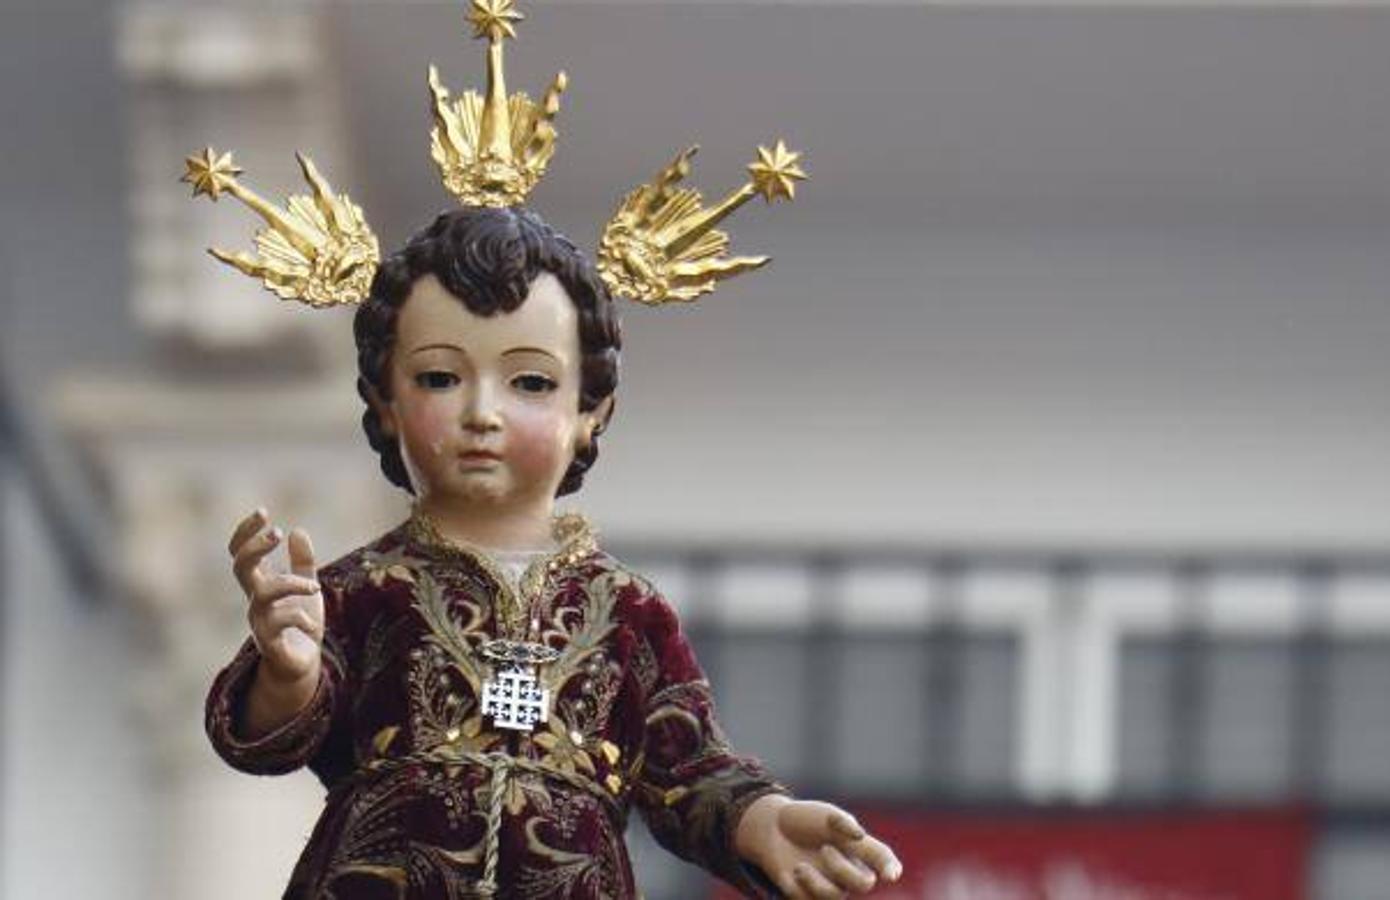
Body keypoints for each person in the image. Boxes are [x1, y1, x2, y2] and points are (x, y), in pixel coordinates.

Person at [203, 205, 901, 899]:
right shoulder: (356, 591)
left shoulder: (627, 611)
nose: (484, 412)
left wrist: (764, 818)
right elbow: (271, 733)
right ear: (385, 403)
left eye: (530, 383)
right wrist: (288, 676)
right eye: (439, 378)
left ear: (589, 413)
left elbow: (685, 767)